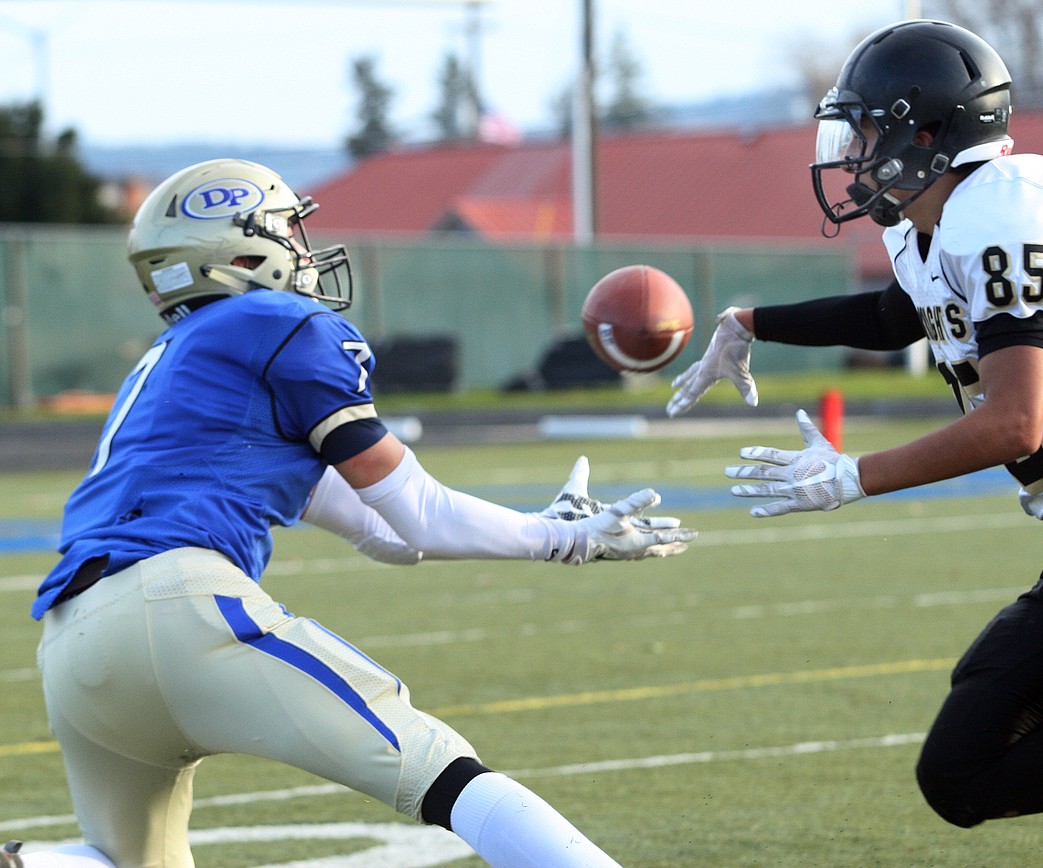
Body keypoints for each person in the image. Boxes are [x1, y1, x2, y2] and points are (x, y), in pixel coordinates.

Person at [5, 158, 696, 868]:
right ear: (240, 253)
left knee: (124, 864)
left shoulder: (179, 368)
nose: (304, 251)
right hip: (177, 607)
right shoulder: (277, 321)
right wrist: (563, 538)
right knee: (445, 774)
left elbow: (388, 533)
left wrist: (540, 520)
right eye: (286, 232)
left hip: (72, 648)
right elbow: (419, 514)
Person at [667, 18, 1043, 866]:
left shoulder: (1014, 212)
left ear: (927, 133)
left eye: (868, 127)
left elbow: (1014, 422)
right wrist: (751, 322)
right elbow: (901, 312)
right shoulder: (927, 224)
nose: (855, 149)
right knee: (962, 771)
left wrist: (851, 478)